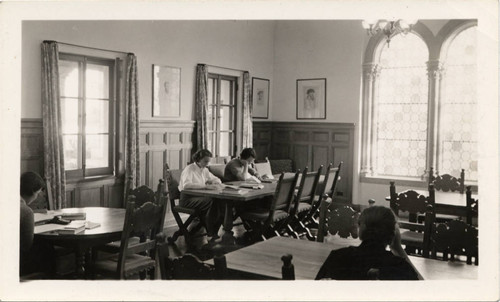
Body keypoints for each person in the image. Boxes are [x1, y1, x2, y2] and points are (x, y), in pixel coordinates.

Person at [315, 206, 423, 280]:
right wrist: (398, 248)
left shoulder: (337, 258)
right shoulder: (400, 267)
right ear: (393, 233)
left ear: (361, 229)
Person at [178, 149, 223, 238]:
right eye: (205, 161)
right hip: (187, 199)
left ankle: (213, 230)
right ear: (198, 159)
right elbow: (186, 185)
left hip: (199, 198)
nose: (207, 163)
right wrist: (205, 186)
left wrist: (212, 181)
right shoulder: (190, 169)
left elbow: (218, 180)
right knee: (212, 202)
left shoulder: (204, 169)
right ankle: (211, 231)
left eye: (208, 161)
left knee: (219, 201)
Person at [20, 171, 55, 276]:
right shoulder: (26, 211)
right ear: (32, 191)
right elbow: (26, 245)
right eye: (38, 193)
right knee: (47, 249)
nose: (37, 196)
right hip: (18, 260)